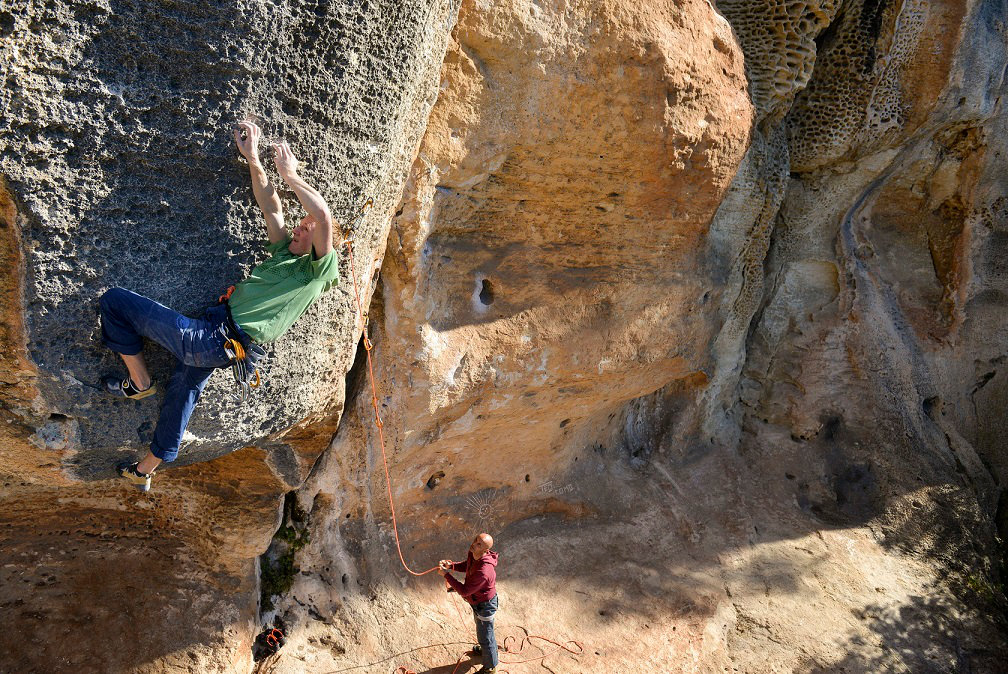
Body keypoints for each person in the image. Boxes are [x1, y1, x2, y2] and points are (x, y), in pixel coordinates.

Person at [100, 120, 342, 492]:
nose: (298, 227)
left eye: (305, 228)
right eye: (301, 223)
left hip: (215, 340)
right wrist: (254, 158)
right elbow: (271, 207)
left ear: (320, 242)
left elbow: (323, 217)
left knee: (114, 302)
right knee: (182, 393)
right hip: (221, 340)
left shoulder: (317, 273)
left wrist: (290, 174)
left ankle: (139, 381)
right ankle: (143, 470)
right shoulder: (285, 255)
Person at [440, 533, 500, 673]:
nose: (474, 544)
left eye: (479, 544)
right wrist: (451, 566)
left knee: (486, 637)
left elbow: (465, 591)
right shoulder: (474, 554)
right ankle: (487, 651)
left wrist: (446, 575)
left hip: (485, 606)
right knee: (484, 633)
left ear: (485, 550)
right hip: (478, 602)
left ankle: (490, 668)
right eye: (475, 540)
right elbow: (467, 565)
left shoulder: (484, 571)